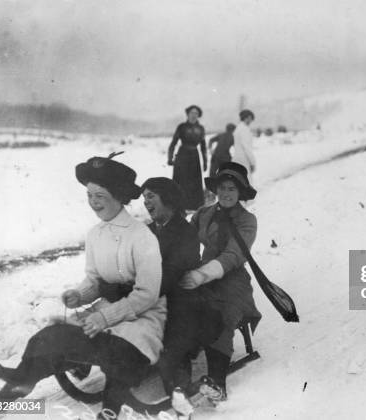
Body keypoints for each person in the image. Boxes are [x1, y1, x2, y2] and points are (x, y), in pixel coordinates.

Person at [0, 155, 166, 419]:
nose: (93, 203)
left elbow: (147, 295)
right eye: (89, 195)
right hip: (101, 314)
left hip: (140, 320)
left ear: (118, 196)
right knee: (46, 339)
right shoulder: (95, 234)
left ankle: (111, 409)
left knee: (118, 357)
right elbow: (94, 280)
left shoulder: (142, 237)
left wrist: (105, 317)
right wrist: (79, 294)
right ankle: (10, 396)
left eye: (100, 196)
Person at [173, 162, 262, 412]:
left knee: (222, 314)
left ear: (241, 192)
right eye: (222, 188)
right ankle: (177, 374)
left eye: (232, 189)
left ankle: (217, 383)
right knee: (178, 306)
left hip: (232, 280)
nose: (226, 193)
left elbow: (233, 255)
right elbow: (186, 241)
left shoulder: (247, 221)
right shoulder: (204, 213)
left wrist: (203, 274)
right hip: (201, 272)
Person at [139, 177, 222, 416]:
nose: (146, 202)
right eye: (144, 198)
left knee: (172, 343)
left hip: (185, 300)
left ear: (168, 200)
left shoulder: (185, 232)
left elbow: (173, 273)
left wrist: (143, 291)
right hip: (155, 295)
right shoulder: (148, 231)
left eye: (151, 196)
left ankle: (184, 389)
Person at [168, 105, 208, 212]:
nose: (193, 115)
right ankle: (179, 206)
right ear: (187, 114)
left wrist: (205, 162)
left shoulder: (201, 129)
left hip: (195, 157)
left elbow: (203, 147)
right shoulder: (181, 127)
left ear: (198, 116)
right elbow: (173, 143)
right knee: (181, 181)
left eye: (196, 113)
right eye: (191, 113)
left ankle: (194, 207)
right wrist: (170, 158)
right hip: (182, 156)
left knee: (194, 182)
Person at [232, 109, 256, 178]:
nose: (251, 121)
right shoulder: (244, 129)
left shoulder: (238, 128)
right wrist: (252, 162)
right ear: (247, 118)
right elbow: (247, 147)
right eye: (250, 118)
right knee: (245, 181)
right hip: (244, 159)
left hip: (237, 158)